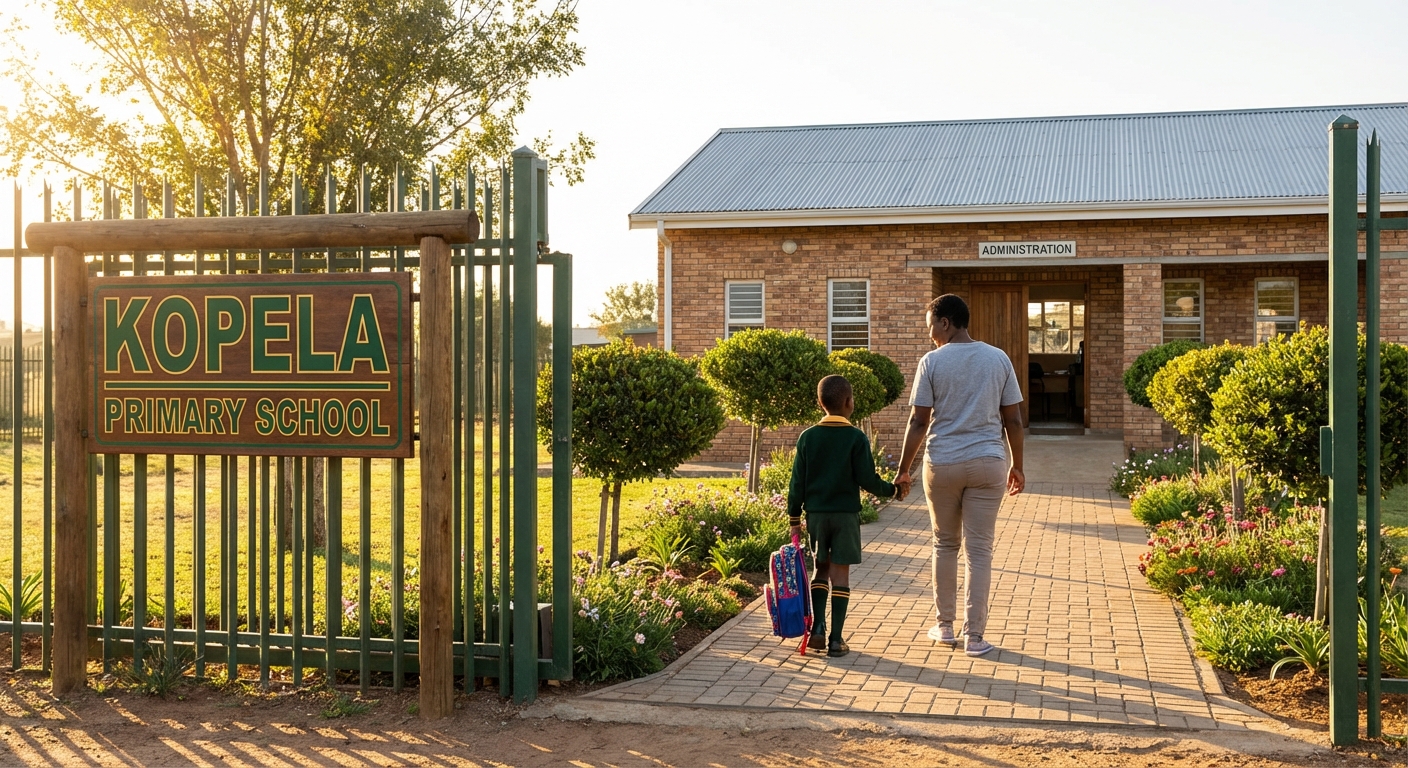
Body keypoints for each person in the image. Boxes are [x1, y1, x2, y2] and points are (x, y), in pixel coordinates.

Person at [894, 294, 1025, 658]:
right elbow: (1013, 419)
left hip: (943, 464)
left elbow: (918, 421)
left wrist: (904, 469)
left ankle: (945, 627)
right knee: (979, 550)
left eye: (931, 327)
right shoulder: (998, 358)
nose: (930, 335)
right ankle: (976, 637)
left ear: (945, 322)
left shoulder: (931, 362)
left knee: (945, 544)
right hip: (988, 462)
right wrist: (1017, 465)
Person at [788, 374, 907, 658]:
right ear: (849, 402)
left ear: (820, 403)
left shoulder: (808, 437)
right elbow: (867, 479)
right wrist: (893, 490)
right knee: (840, 574)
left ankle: (817, 628)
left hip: (817, 516)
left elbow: (797, 483)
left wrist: (794, 519)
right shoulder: (856, 437)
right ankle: (836, 639)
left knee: (820, 569)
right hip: (845, 517)